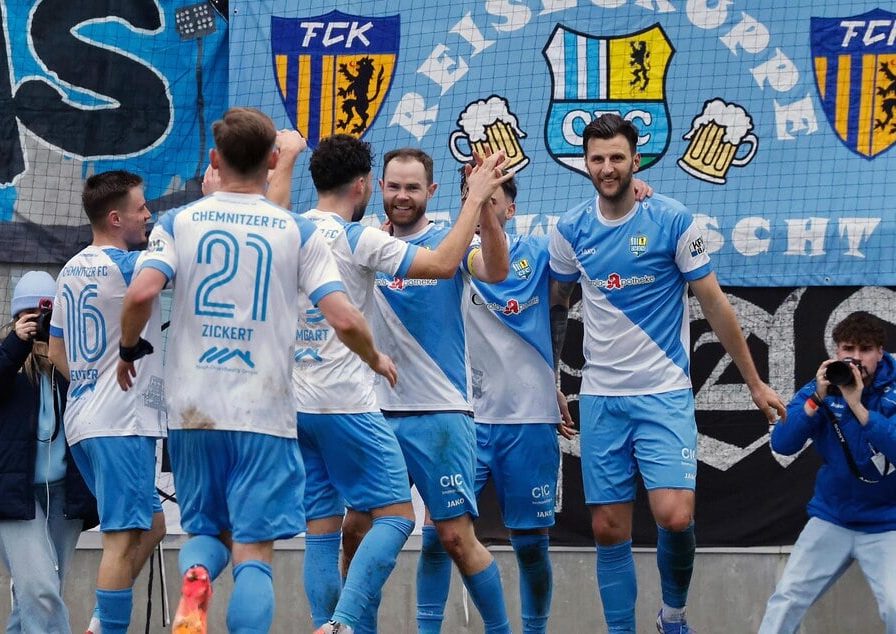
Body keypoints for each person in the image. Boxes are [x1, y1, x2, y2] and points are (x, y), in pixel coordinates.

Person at [116, 107, 395, 634]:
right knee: (254, 555)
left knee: (204, 536)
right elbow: (342, 315)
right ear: (272, 161)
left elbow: (142, 292)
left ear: (215, 160)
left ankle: (196, 580)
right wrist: (374, 357)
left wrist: (129, 349)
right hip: (264, 414)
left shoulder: (180, 220)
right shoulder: (295, 230)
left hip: (194, 413)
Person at [547, 113, 786, 634]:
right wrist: (550, 380)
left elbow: (716, 305)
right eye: (597, 158)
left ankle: (672, 616)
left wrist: (754, 381)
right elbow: (556, 306)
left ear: (637, 158)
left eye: (617, 157)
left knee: (675, 516)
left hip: (664, 394)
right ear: (584, 164)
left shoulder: (673, 219)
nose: (607, 167)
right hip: (603, 398)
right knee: (609, 529)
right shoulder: (568, 229)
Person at [293, 134, 512, 634]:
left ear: (432, 190)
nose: (402, 195)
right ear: (375, 186)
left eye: (413, 187)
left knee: (456, 538)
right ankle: (350, 627)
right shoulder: (363, 241)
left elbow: (495, 271)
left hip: (440, 413)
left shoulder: (451, 240)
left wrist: (483, 213)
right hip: (370, 412)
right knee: (354, 531)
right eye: (393, 186)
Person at [46, 170, 167, 634]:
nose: (148, 214)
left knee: (152, 525)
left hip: (83, 421)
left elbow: (56, 352)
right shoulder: (132, 267)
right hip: (122, 421)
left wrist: (91, 384)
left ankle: (101, 620)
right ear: (116, 218)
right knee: (119, 541)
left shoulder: (70, 269)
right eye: (141, 208)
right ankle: (107, 627)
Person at [0, 270, 98, 634]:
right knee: (39, 591)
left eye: (45, 316)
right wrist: (15, 345)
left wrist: (61, 349)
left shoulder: (70, 357)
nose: (38, 324)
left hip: (66, 492)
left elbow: (97, 396)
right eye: (30, 316)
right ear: (15, 317)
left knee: (40, 595)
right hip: (13, 492)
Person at [759, 311, 896, 633]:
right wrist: (817, 400)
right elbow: (782, 443)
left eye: (865, 350)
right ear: (836, 352)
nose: (856, 358)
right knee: (786, 598)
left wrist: (859, 407)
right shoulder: (821, 388)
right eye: (849, 349)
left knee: (894, 604)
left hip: (888, 522)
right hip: (833, 518)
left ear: (880, 353)